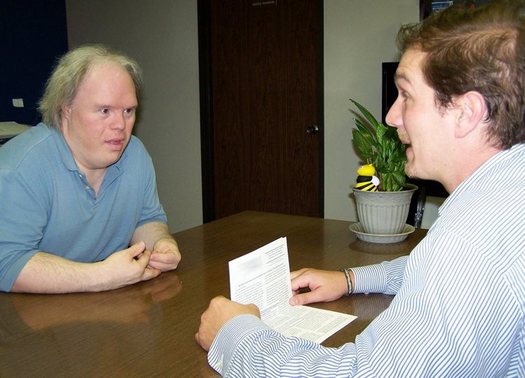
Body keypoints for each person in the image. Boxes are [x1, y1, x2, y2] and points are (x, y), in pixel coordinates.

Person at [196, 1, 525, 376]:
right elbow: (442, 272)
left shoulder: (472, 242)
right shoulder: (508, 194)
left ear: (465, 113)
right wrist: (352, 279)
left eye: (406, 95)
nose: (391, 116)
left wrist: (234, 334)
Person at [0, 45, 181, 293]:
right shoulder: (20, 168)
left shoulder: (135, 155)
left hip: (108, 306)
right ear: (66, 108)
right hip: (28, 316)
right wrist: (102, 275)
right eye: (104, 111)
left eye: (128, 111)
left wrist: (161, 243)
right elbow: (7, 262)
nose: (120, 125)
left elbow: (146, 219)